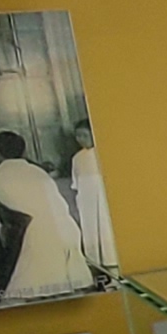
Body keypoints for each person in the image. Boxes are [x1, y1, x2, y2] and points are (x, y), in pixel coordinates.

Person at [0, 129, 87, 304]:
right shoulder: (35, 170)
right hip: (67, 229)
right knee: (64, 293)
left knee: (15, 299)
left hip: (41, 238)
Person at [68, 117, 115, 279]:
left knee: (106, 231)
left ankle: (113, 270)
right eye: (78, 136)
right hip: (86, 201)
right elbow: (76, 184)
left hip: (103, 200)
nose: (80, 139)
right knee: (91, 233)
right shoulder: (77, 158)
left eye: (84, 135)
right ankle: (98, 269)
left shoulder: (104, 153)